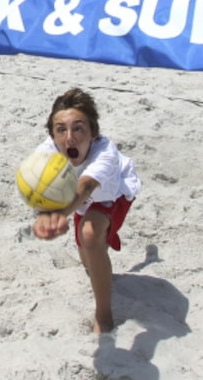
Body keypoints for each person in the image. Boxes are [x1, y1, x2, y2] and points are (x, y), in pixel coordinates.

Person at [31, 88, 141, 334]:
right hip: (79, 198)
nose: (69, 137)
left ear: (93, 133)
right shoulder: (45, 152)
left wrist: (58, 216)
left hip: (112, 193)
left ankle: (103, 315)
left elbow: (86, 187)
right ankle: (98, 266)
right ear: (52, 134)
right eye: (61, 129)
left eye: (78, 128)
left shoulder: (105, 152)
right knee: (87, 256)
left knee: (90, 235)